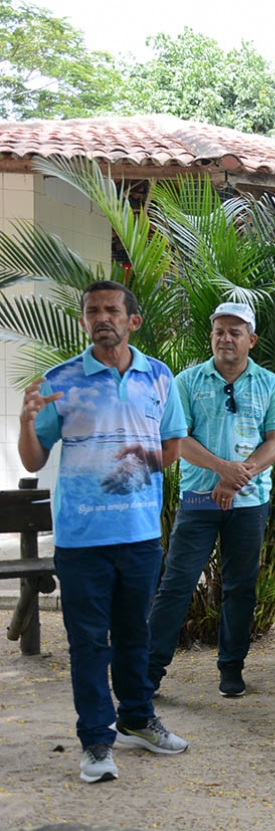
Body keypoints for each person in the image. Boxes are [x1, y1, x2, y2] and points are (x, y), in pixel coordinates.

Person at [18, 280, 189, 783]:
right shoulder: (60, 380)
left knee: (136, 635)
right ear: (83, 321)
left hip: (139, 536)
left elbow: (173, 444)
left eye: (112, 309)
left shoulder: (158, 377)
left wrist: (133, 471)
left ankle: (136, 718)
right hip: (81, 541)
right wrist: (27, 423)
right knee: (89, 642)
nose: (102, 317)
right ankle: (96, 740)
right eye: (92, 311)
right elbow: (34, 457)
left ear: (132, 321)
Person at [148, 301, 275, 699]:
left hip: (248, 504)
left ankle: (231, 668)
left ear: (252, 339)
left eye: (234, 332)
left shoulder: (271, 385)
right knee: (176, 583)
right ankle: (149, 671)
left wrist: (236, 477)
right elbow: (178, 439)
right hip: (198, 500)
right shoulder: (187, 381)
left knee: (241, 587)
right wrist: (221, 469)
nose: (225, 338)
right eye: (219, 332)